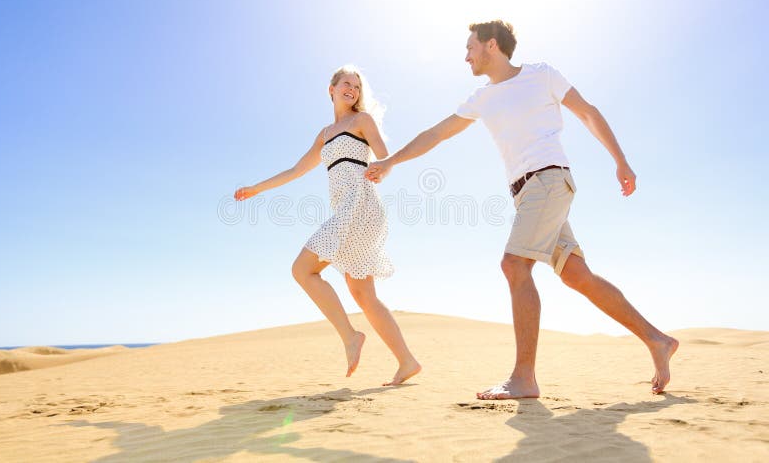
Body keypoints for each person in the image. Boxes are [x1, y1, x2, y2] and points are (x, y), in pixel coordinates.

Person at [365, 21, 678, 398]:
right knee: (577, 275)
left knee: (515, 265)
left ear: (491, 45)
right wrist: (393, 161)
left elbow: (588, 113)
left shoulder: (542, 75)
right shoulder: (482, 97)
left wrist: (621, 160)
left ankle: (524, 378)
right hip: (529, 193)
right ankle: (657, 340)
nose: (466, 56)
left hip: (547, 181)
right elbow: (437, 133)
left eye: (470, 47)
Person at [235, 65, 421, 386]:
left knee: (303, 269)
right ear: (331, 89)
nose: (352, 89)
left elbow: (383, 156)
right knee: (363, 294)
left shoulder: (361, 121)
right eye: (346, 83)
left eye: (357, 86)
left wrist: (382, 169)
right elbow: (295, 170)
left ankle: (350, 337)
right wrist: (257, 189)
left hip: (361, 205)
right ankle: (407, 361)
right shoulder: (324, 135)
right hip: (346, 210)